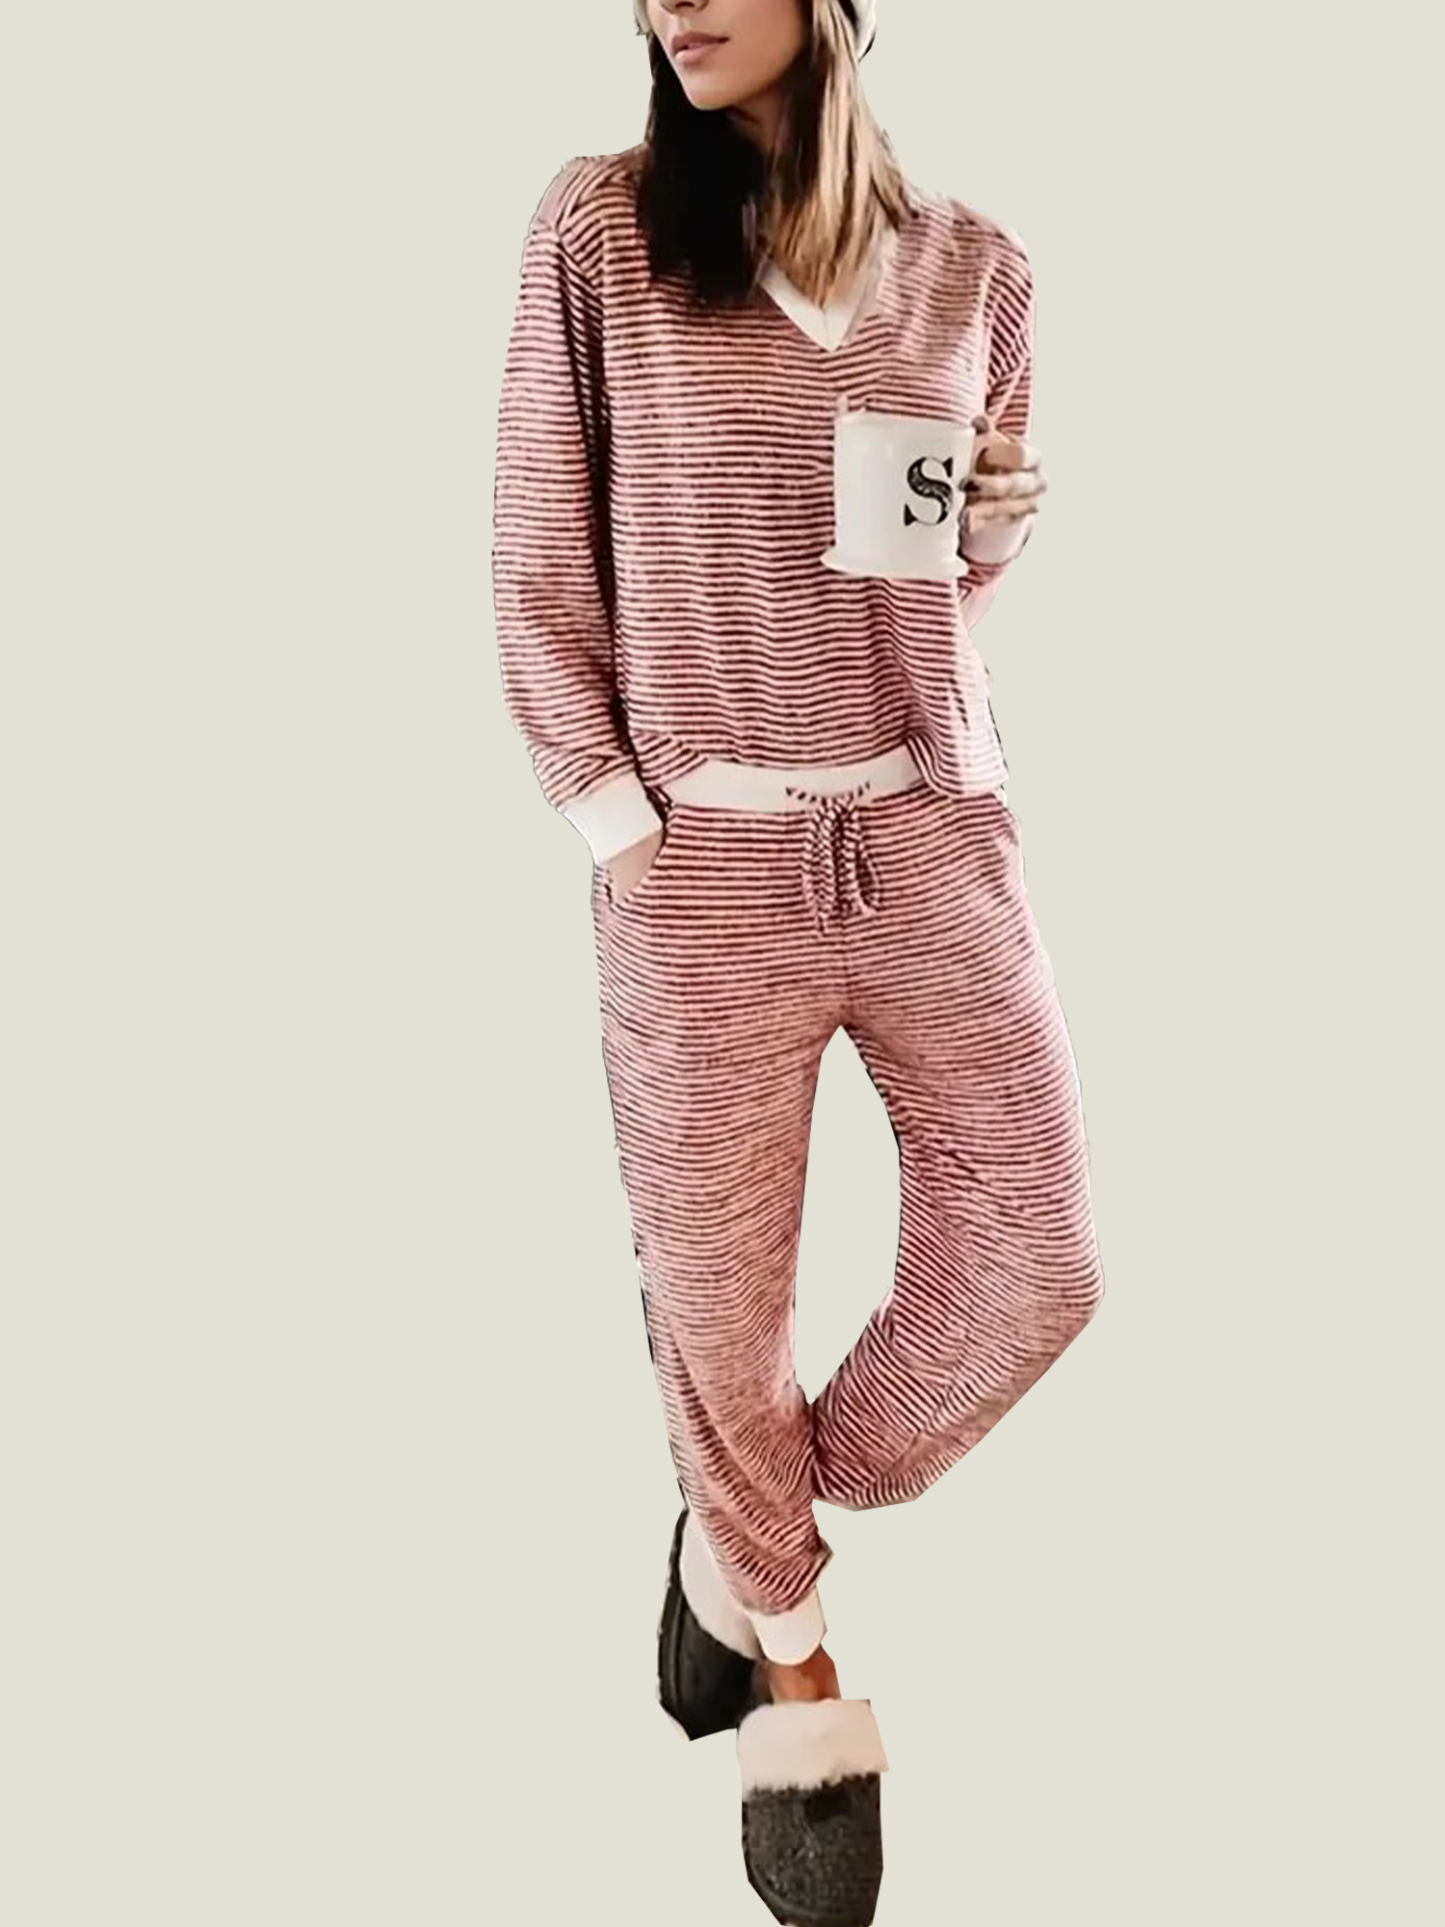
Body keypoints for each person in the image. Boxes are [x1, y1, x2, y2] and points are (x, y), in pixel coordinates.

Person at [492, 5, 1105, 1920]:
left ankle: (734, 1523)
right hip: (704, 859)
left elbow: (929, 581)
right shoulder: (601, 230)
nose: (673, 2)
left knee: (1041, 1262)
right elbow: (538, 546)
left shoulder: (979, 265)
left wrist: (987, 534)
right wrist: (616, 818)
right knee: (722, 1297)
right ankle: (800, 1664)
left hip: (932, 827)